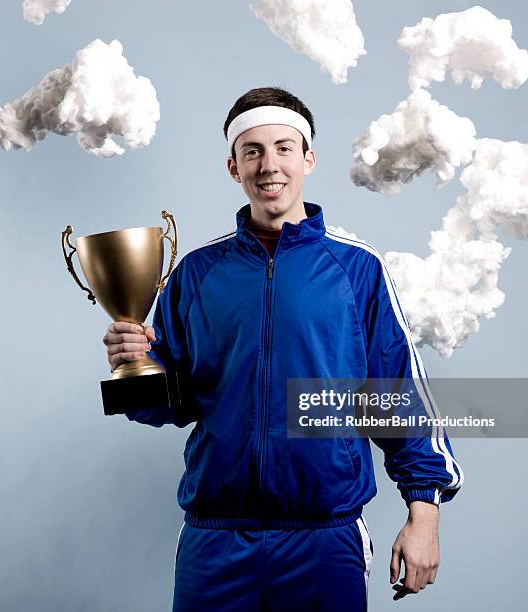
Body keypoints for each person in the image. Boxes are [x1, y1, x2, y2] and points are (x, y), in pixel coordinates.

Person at [102, 87, 464, 611]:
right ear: (233, 167)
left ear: (308, 158)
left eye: (283, 148)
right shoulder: (196, 273)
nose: (269, 165)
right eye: (252, 151)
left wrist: (425, 513)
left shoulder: (357, 269)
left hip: (325, 538)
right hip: (215, 537)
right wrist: (131, 365)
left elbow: (398, 393)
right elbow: (169, 406)